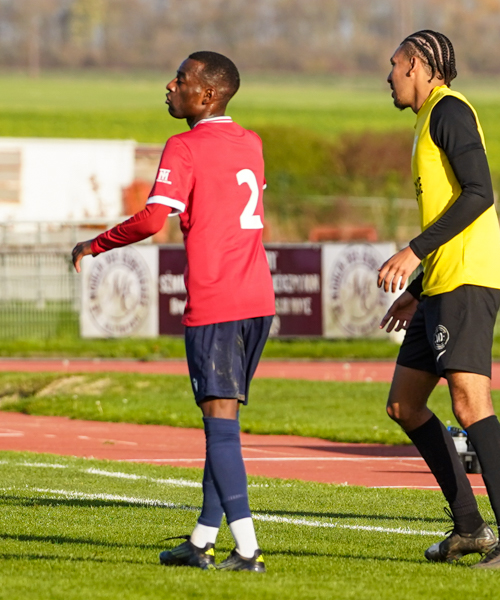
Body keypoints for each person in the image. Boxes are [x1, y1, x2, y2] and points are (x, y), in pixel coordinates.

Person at [72, 51, 273, 572]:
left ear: (206, 94)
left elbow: (152, 220)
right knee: (221, 423)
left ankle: (247, 550)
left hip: (217, 300)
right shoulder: (251, 142)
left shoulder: (185, 145)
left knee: (220, 424)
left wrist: (95, 244)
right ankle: (202, 539)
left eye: (181, 79)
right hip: (258, 299)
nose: (170, 85)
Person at [377, 29, 500, 569]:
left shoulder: (449, 110)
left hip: (468, 279)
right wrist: (418, 290)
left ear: (417, 65)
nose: (389, 76)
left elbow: (479, 193)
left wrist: (413, 252)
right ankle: (469, 528)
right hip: (441, 283)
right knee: (404, 404)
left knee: (470, 404)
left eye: (394, 65)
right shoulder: (426, 119)